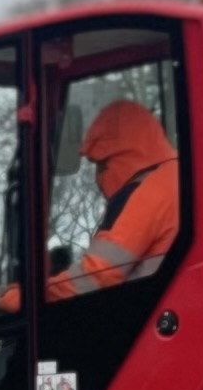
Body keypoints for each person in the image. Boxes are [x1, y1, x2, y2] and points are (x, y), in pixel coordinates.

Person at [51, 100, 179, 298]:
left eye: (101, 165)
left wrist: (22, 298)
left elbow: (95, 277)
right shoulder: (180, 175)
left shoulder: (147, 194)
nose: (98, 177)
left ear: (118, 158)